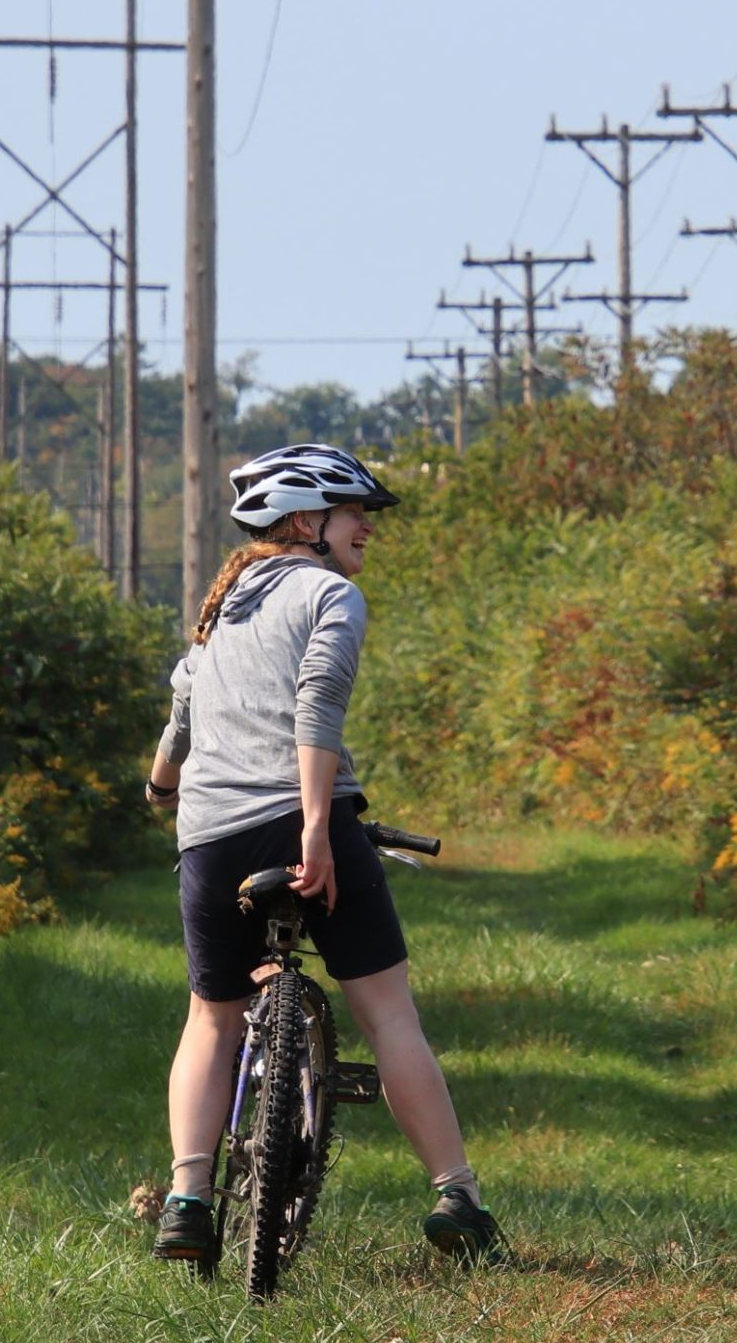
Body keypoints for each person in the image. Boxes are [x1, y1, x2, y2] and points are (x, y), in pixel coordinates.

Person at [145, 443, 503, 1269]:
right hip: (305, 815)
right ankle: (458, 1196)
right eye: (354, 517)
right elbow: (320, 707)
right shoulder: (331, 594)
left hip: (209, 833)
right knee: (387, 1013)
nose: (365, 532)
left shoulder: (218, 613)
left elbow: (179, 726)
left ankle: (188, 1198)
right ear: (307, 522)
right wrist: (314, 827)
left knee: (213, 1015)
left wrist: (162, 793)